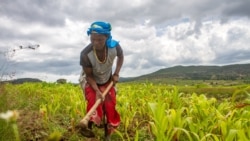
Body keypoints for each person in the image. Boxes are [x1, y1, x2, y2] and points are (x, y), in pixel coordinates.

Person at [78, 21, 124, 140]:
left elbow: (121, 56)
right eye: (92, 39)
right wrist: (97, 90)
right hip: (91, 80)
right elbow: (89, 76)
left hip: (108, 79)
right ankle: (90, 128)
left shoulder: (114, 47)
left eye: (99, 40)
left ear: (106, 37)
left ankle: (107, 134)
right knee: (93, 102)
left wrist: (116, 74)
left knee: (110, 105)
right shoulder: (85, 54)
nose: (95, 43)